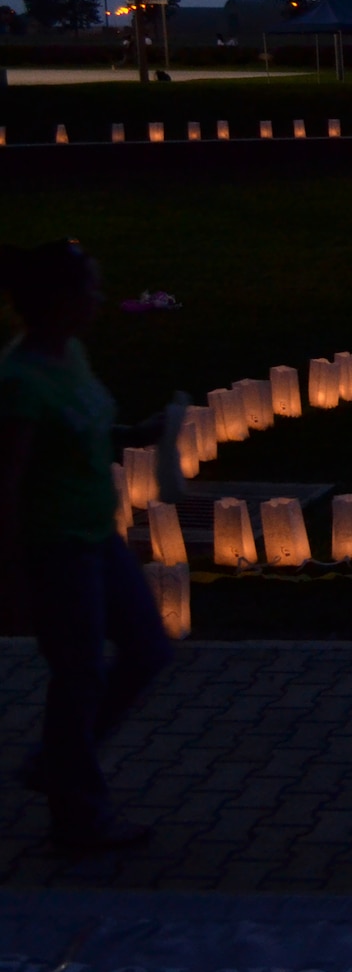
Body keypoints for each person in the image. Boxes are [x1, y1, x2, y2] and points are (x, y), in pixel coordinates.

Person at [0, 241, 175, 851]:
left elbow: (81, 430)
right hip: (57, 550)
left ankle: (57, 762)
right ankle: (78, 812)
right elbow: (7, 485)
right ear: (59, 301)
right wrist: (13, 578)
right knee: (78, 678)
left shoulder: (70, 354)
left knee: (148, 650)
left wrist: (136, 432)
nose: (100, 299)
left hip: (99, 538)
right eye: (91, 289)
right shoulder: (19, 383)